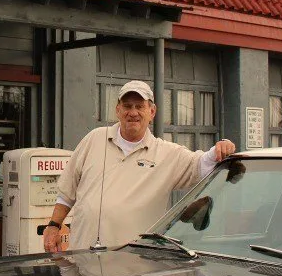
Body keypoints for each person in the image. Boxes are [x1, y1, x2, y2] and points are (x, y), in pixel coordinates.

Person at [43, 81, 236, 252]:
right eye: (127, 106)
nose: (133, 112)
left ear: (152, 112)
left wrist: (221, 147)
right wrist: (53, 226)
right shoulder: (94, 139)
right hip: (83, 258)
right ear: (118, 110)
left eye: (139, 106)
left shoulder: (167, 153)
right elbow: (67, 193)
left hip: (135, 269)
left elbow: (202, 164)